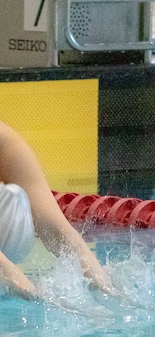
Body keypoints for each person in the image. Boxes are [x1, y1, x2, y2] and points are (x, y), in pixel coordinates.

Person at [0, 121, 114, 299]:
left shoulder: (7, 144)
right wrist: (33, 296)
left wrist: (108, 290)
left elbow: (58, 231)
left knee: (15, 201)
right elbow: (10, 274)